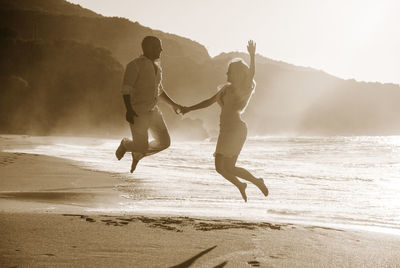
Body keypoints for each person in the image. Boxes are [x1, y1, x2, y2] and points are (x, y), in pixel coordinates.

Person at [180, 40, 268, 202]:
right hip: (225, 130)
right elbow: (208, 101)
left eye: (229, 72)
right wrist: (188, 109)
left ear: (237, 74)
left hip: (236, 129)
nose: (227, 75)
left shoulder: (243, 87)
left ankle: (255, 181)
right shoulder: (225, 89)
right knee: (221, 168)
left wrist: (252, 56)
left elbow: (251, 74)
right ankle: (242, 185)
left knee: (227, 167)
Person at [115, 36, 182, 173]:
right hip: (138, 111)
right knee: (140, 145)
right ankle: (126, 144)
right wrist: (129, 110)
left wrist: (173, 105)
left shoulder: (158, 68)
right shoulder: (134, 65)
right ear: (149, 47)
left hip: (154, 111)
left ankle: (138, 154)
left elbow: (159, 91)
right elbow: (126, 89)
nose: (161, 50)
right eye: (158, 46)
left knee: (165, 142)